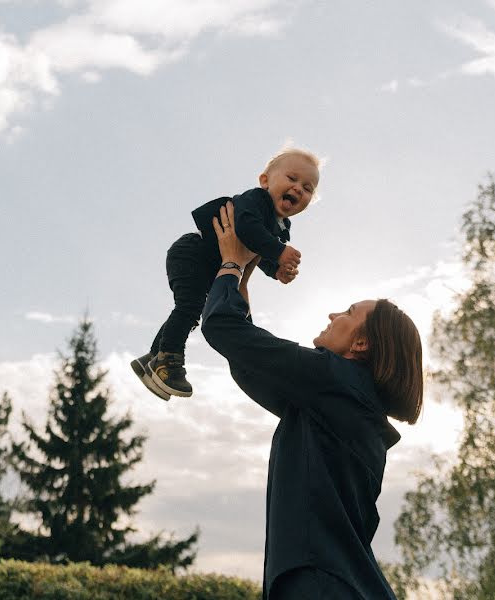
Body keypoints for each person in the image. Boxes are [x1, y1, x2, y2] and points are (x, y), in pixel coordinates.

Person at [201, 201, 423, 599]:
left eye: (349, 312)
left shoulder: (333, 380)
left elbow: (222, 329)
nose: (333, 313)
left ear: (361, 342)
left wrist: (232, 264)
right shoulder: (348, 403)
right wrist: (243, 280)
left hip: (320, 585)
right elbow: (248, 363)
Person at [131, 147, 320, 400]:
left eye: (307, 188)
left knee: (191, 308)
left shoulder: (280, 227)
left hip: (208, 265)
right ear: (265, 181)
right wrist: (278, 251)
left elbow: (255, 250)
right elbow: (246, 228)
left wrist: (275, 270)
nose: (298, 188)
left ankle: (152, 358)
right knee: (189, 306)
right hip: (192, 253)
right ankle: (169, 361)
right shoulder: (255, 201)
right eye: (292, 179)